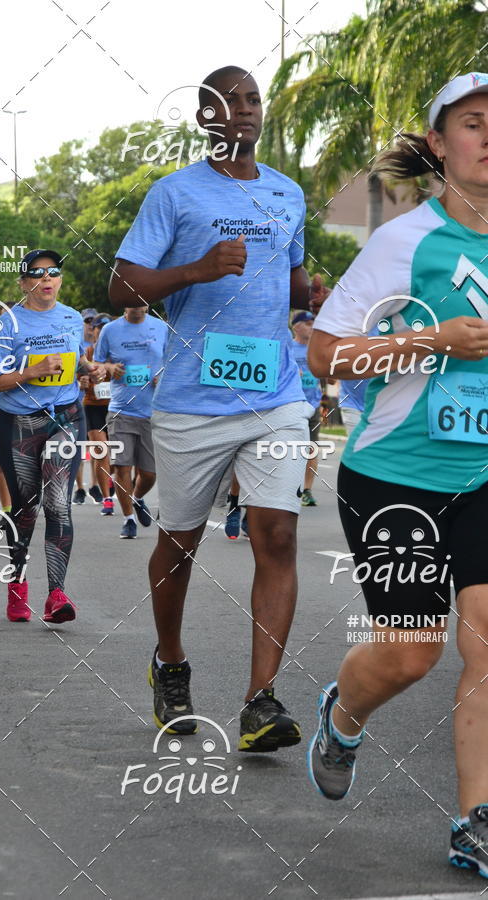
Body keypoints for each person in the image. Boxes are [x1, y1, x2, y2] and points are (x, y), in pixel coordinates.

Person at [109, 66, 327, 745]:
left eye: (252, 98)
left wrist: (311, 293)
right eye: (226, 100)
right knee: (179, 543)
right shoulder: (173, 194)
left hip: (275, 394)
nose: (242, 109)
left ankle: (261, 701)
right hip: (191, 401)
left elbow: (291, 281)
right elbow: (121, 285)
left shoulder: (288, 194)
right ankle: (170, 662)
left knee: (279, 535)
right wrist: (194, 270)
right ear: (204, 117)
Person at [307, 73, 488, 878]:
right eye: (476, 123)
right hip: (394, 476)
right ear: (442, 144)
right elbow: (326, 354)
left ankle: (474, 821)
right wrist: (434, 342)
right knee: (411, 653)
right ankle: (343, 715)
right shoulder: (401, 243)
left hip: (483, 474)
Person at [0, 249, 105, 623]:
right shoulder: (6, 325)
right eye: (37, 274)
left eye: (53, 272)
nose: (47, 279)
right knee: (26, 509)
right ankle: (18, 585)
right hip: (19, 423)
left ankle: (56, 594)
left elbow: (75, 359)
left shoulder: (71, 317)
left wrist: (92, 369)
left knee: (57, 502)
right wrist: (34, 369)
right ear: (23, 284)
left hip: (66, 418)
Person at [94, 306, 167, 538]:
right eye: (131, 300)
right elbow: (96, 364)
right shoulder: (110, 330)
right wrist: (109, 368)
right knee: (122, 467)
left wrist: (163, 376)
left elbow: (174, 360)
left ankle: (136, 498)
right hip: (121, 411)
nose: (136, 305)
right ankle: (128, 520)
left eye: (140, 300)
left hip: (152, 412)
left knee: (149, 474)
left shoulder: (161, 327)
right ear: (124, 304)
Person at [81, 314, 115, 514]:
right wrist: (82, 383)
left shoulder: (119, 353)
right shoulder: (87, 353)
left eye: (106, 328)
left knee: (119, 458)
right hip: (93, 407)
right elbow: (75, 380)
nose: (102, 331)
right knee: (101, 451)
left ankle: (114, 483)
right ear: (93, 331)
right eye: (99, 328)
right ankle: (107, 499)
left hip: (117, 408)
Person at [291, 310, 322, 506]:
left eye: (313, 322)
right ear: (296, 326)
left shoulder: (317, 348)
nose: (312, 326)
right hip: (293, 404)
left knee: (312, 448)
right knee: (288, 450)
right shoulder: (288, 348)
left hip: (313, 404)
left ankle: (307, 490)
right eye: (308, 323)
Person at [72, 308, 99, 505]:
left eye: (93, 321)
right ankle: (79, 488)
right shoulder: (76, 343)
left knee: (97, 446)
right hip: (76, 399)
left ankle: (95, 485)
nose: (90, 324)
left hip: (96, 400)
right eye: (87, 321)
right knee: (78, 447)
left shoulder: (100, 345)